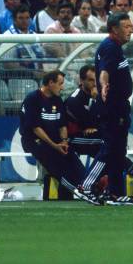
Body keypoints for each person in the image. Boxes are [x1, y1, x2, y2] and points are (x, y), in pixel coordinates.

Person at [78, 13, 133, 205]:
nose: (131, 29)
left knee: (118, 152)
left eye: (131, 26)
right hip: (111, 107)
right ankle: (85, 187)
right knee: (110, 148)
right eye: (127, 26)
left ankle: (115, 193)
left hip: (119, 107)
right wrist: (103, 85)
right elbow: (103, 71)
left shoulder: (115, 48)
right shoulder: (110, 48)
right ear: (114, 29)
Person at [20, 70, 88, 201]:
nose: (62, 87)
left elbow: (62, 125)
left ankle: (89, 185)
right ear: (50, 83)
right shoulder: (32, 99)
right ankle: (78, 190)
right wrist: (54, 145)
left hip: (56, 141)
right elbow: (36, 128)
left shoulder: (57, 100)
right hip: (35, 141)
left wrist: (64, 142)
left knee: (72, 157)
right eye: (60, 83)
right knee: (55, 162)